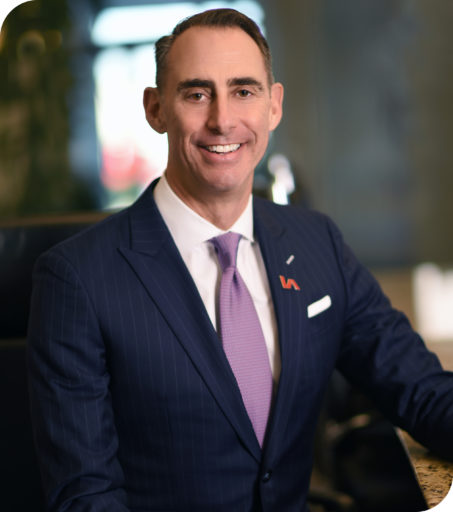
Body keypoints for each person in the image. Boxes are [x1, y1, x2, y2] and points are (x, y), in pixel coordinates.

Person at [27, 8, 453, 512]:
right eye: (196, 94)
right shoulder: (76, 278)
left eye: (244, 91)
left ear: (273, 106)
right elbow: (86, 496)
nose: (223, 120)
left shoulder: (316, 241)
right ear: (156, 109)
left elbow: (420, 390)